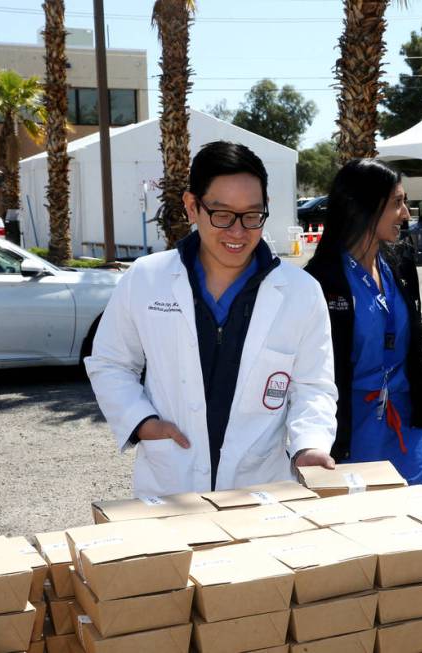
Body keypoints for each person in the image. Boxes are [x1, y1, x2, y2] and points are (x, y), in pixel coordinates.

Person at [86, 141, 338, 497]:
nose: (238, 231)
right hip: (171, 482)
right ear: (192, 206)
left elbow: (313, 386)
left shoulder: (301, 292)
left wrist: (310, 444)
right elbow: (110, 362)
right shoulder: (146, 279)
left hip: (262, 485)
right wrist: (143, 423)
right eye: (222, 214)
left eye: (252, 215)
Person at [305, 159, 422, 487]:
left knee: (417, 528)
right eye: (397, 203)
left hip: (407, 428)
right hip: (351, 431)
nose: (406, 214)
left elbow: (415, 354)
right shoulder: (319, 279)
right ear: (362, 207)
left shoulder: (400, 264)